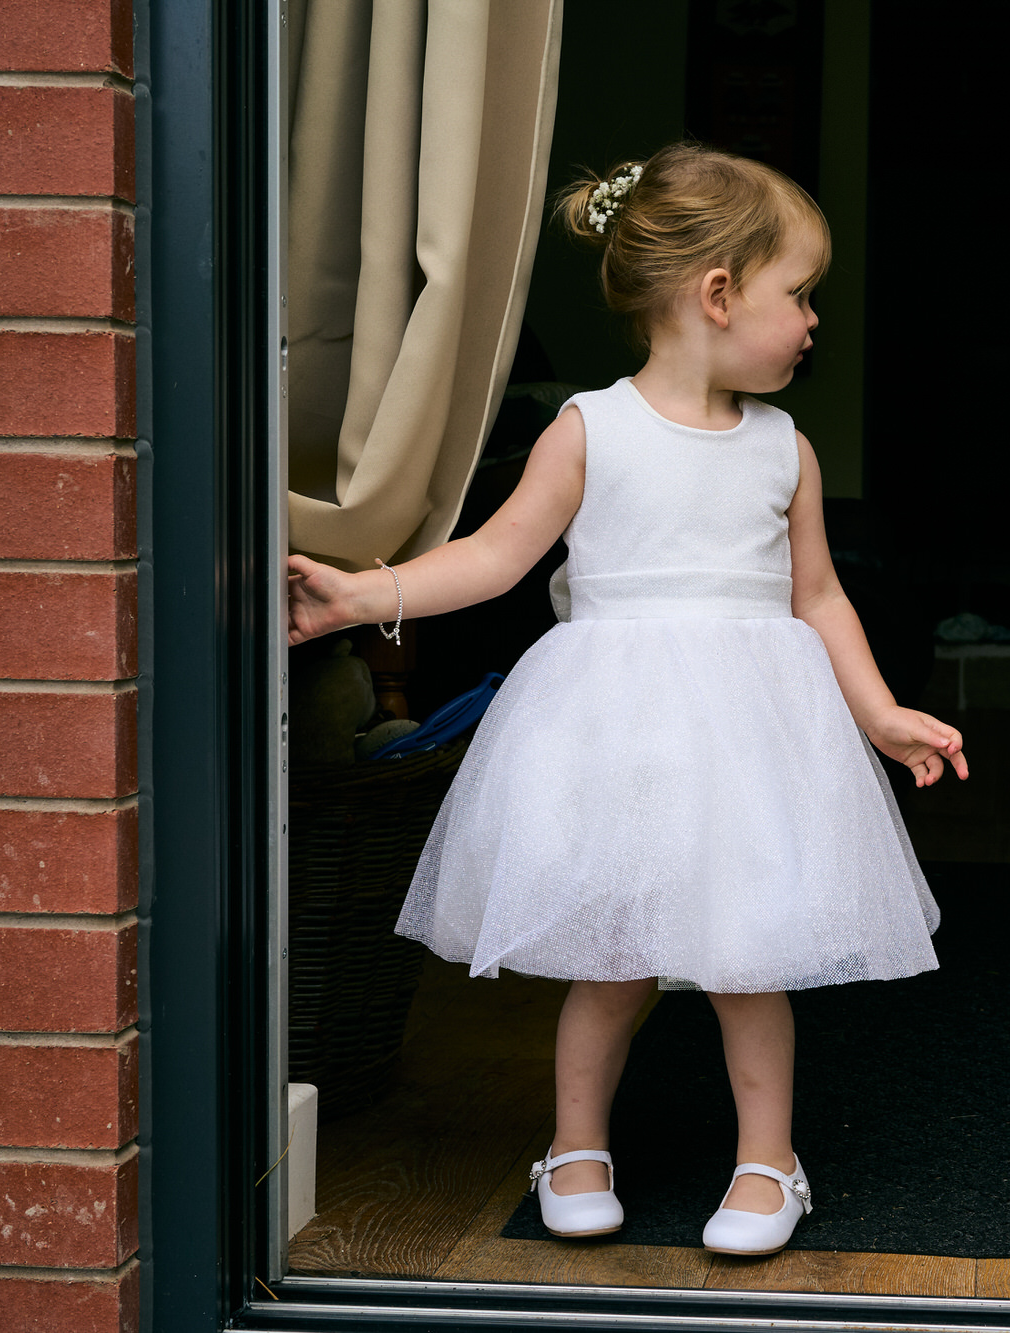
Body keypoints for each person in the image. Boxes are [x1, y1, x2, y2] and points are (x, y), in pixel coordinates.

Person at [286, 142, 967, 1255]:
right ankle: (576, 1145)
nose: (808, 321)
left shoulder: (780, 449)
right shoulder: (588, 430)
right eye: (797, 294)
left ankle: (767, 1161)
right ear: (716, 293)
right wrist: (367, 593)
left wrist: (879, 713)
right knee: (613, 957)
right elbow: (498, 558)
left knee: (748, 959)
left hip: (753, 741)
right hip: (621, 739)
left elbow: (821, 598)